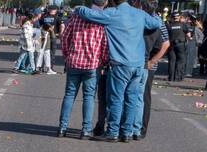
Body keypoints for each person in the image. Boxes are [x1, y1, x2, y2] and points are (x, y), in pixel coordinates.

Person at [73, 0, 163, 142]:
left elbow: (89, 14)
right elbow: (156, 23)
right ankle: (126, 132)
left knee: (116, 98)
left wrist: (78, 8)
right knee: (131, 99)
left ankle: (113, 132)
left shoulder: (111, 13)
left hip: (121, 63)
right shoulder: (140, 14)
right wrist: (158, 15)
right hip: (139, 64)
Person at [56, 0, 107, 137]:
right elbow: (104, 44)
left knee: (69, 95)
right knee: (89, 97)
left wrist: (67, 56)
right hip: (92, 64)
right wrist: (102, 61)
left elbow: (65, 37)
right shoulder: (102, 20)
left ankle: (62, 127)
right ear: (105, 3)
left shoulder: (76, 16)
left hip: (74, 61)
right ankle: (86, 130)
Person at [137, 1, 168, 138]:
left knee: (144, 96)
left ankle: (142, 129)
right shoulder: (140, 16)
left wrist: (153, 61)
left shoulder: (157, 21)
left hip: (148, 64)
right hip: (137, 61)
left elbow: (166, 44)